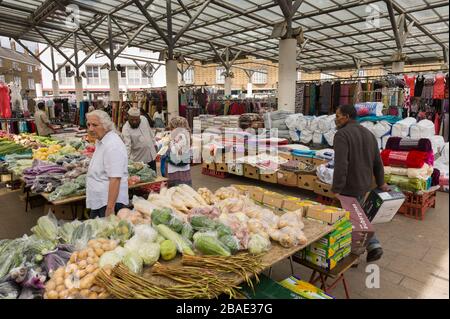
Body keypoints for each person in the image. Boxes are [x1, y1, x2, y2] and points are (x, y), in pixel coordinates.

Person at [332, 105, 390, 263]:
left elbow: (341, 164)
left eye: (338, 115)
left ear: (346, 116)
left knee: (351, 221)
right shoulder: (369, 134)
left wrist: (337, 188)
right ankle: (373, 246)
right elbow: (378, 162)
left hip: (348, 186)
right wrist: (381, 182)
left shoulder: (342, 135)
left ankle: (356, 255)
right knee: (359, 217)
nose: (336, 119)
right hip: (364, 184)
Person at [86, 110, 129, 218]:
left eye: (95, 125)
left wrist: (110, 209)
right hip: (100, 201)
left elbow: (115, 179)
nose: (90, 128)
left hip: (107, 203)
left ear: (106, 126)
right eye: (89, 124)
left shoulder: (113, 145)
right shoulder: (101, 141)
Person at [122, 107, 158, 172]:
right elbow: (127, 146)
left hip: (151, 155)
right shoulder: (126, 129)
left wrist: (154, 144)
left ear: (139, 117)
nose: (134, 121)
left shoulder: (144, 119)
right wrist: (126, 162)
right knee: (144, 179)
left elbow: (150, 132)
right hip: (139, 161)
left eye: (136, 119)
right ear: (128, 117)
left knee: (154, 177)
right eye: (132, 120)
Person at [165, 116, 192, 187]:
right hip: (184, 170)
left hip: (174, 171)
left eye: (172, 128)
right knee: (185, 190)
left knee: (176, 191)